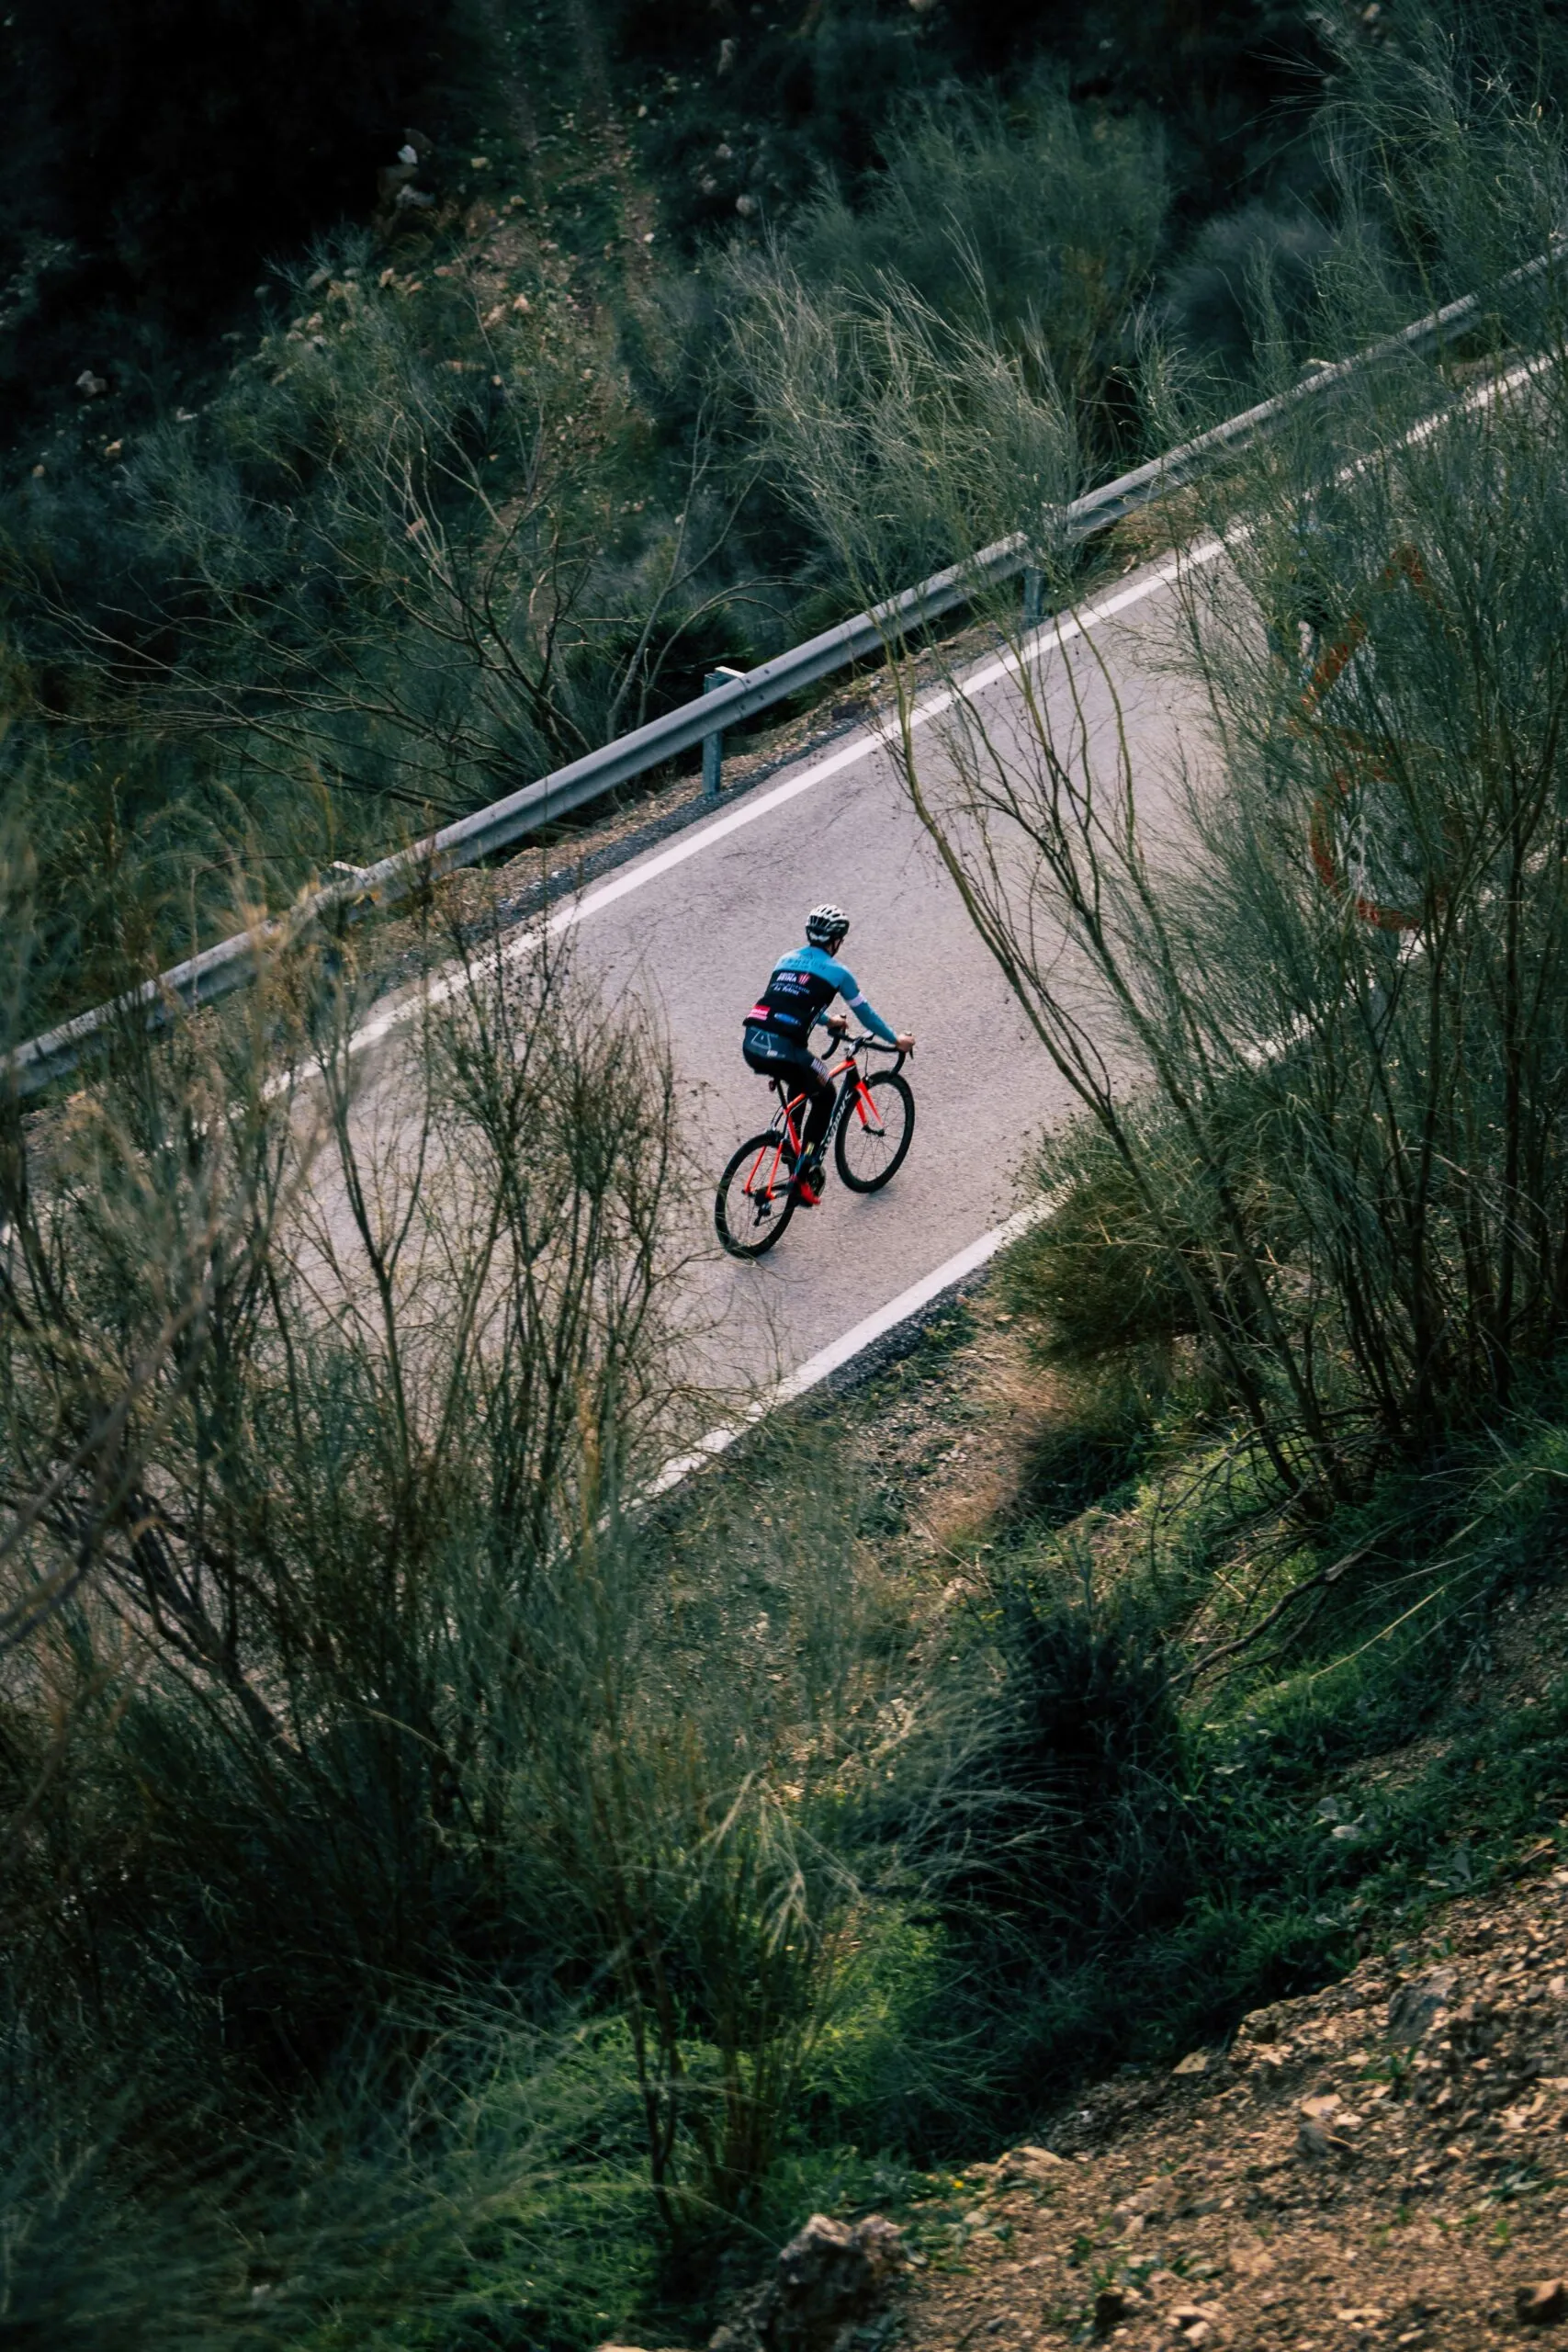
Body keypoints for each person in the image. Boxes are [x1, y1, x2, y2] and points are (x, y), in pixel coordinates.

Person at [742, 904, 915, 1206]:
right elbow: (867, 1016)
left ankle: (791, 1150)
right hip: (784, 1049)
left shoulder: (785, 959)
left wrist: (828, 1021)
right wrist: (896, 1039)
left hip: (753, 1042)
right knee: (826, 1093)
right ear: (835, 940)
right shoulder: (838, 972)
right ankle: (803, 1173)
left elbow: (790, 1000)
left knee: (802, 1079)